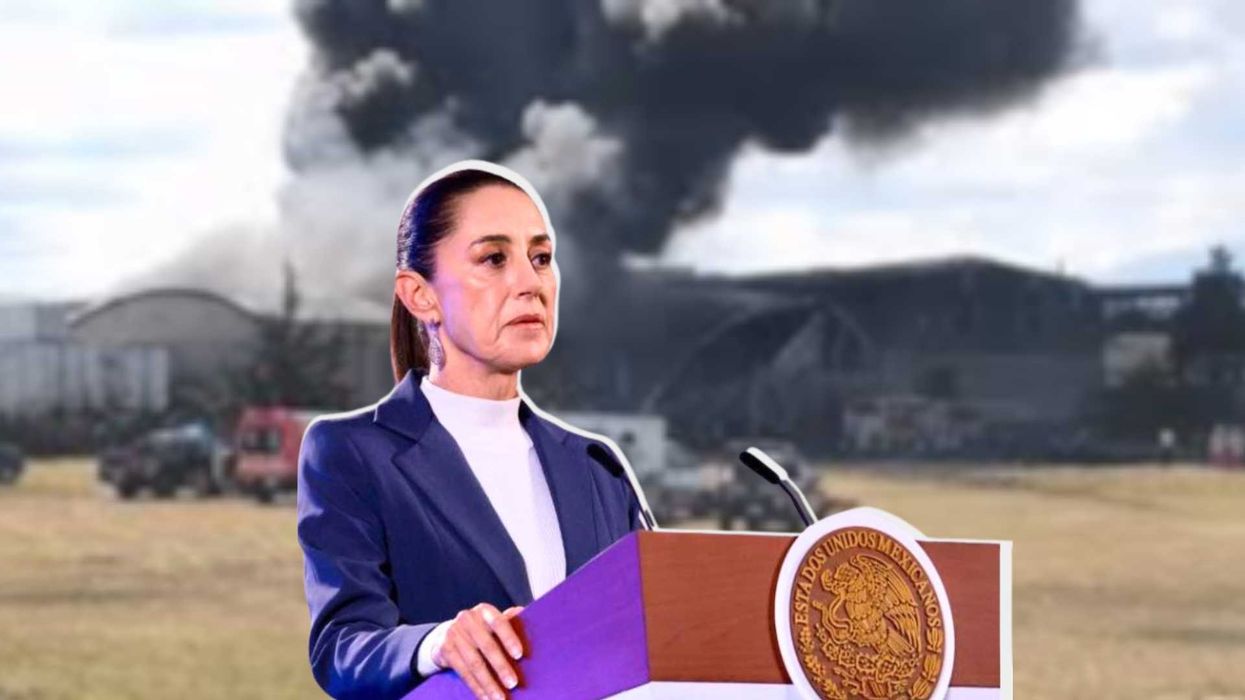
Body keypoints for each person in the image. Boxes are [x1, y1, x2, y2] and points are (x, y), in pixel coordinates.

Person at [296, 160, 645, 700]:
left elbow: (657, 638)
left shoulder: (598, 465)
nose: (530, 284)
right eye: (494, 258)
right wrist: (438, 643)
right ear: (420, 295)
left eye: (541, 258)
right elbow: (342, 649)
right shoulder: (349, 451)